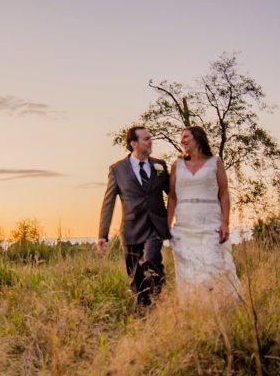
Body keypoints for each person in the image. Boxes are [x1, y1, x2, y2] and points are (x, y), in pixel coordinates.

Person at [97, 126, 172, 307]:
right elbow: (109, 202)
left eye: (150, 138)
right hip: (131, 229)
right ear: (133, 144)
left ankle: (158, 299)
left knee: (151, 260)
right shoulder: (117, 169)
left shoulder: (159, 165)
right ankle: (144, 309)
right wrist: (102, 234)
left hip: (155, 227)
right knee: (135, 275)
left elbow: (173, 194)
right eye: (146, 139)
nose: (150, 141)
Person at [167, 126, 242, 301]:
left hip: (210, 224)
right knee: (188, 270)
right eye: (181, 138)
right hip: (184, 226)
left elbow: (224, 194)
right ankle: (193, 309)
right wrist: (167, 224)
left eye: (186, 136)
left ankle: (219, 305)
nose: (182, 141)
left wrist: (225, 222)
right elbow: (172, 197)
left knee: (212, 265)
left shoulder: (215, 162)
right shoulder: (177, 165)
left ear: (198, 138)